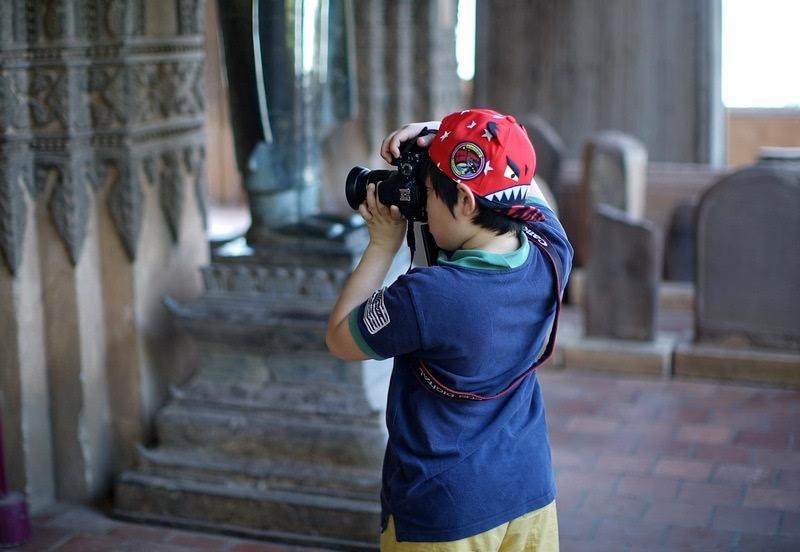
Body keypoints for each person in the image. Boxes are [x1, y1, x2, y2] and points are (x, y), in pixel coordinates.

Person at [326, 108, 573, 551]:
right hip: (528, 491)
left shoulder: (428, 296)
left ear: (463, 201)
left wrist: (383, 243)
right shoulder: (551, 251)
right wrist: (441, 137)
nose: (421, 201)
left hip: (445, 513)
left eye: (426, 192)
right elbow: (524, 184)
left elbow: (341, 337)